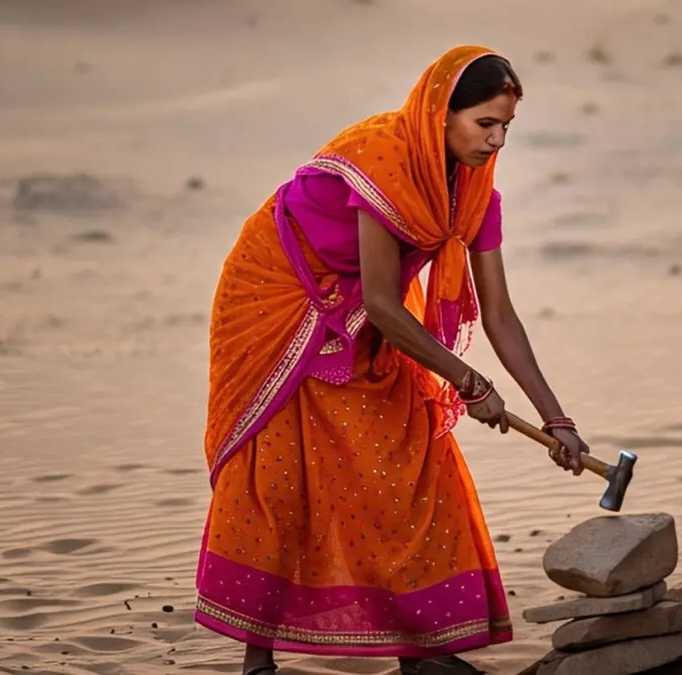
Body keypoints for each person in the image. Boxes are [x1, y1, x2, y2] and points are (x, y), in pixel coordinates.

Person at [194, 44, 591, 675]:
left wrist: (557, 418)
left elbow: (501, 315)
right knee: (282, 464)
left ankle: (420, 651)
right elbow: (382, 303)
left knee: (409, 451)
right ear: (442, 115)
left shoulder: (476, 194)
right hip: (278, 288)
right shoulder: (384, 163)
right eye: (484, 123)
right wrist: (466, 380)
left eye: (507, 127)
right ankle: (257, 659)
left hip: (361, 300)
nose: (497, 141)